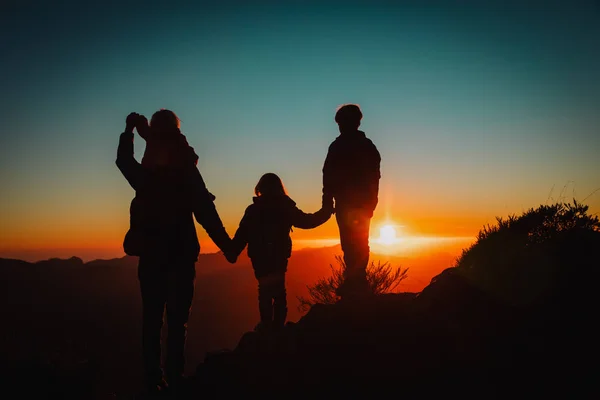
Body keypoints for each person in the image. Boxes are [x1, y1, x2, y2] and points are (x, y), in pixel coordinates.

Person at [116, 110, 232, 396]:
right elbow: (206, 211)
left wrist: (129, 130)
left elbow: (123, 161)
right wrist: (227, 246)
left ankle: (153, 379)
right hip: (181, 254)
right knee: (178, 320)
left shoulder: (146, 176)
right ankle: (175, 377)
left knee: (152, 319)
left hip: (152, 254)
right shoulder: (186, 170)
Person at [225, 173, 333, 332]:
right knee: (279, 292)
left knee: (264, 290)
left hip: (259, 256)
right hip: (278, 255)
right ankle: (277, 328)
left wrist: (232, 252)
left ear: (260, 188)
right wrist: (326, 212)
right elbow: (308, 221)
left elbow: (242, 235)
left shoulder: (253, 210)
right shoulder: (285, 207)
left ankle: (267, 327)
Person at [322, 104, 381, 300]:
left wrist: (327, 202)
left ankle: (356, 283)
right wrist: (372, 202)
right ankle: (356, 281)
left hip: (348, 204)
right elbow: (375, 177)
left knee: (351, 242)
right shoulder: (367, 146)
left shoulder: (339, 147)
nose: (340, 126)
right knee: (358, 242)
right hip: (358, 205)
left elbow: (328, 176)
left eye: (341, 122)